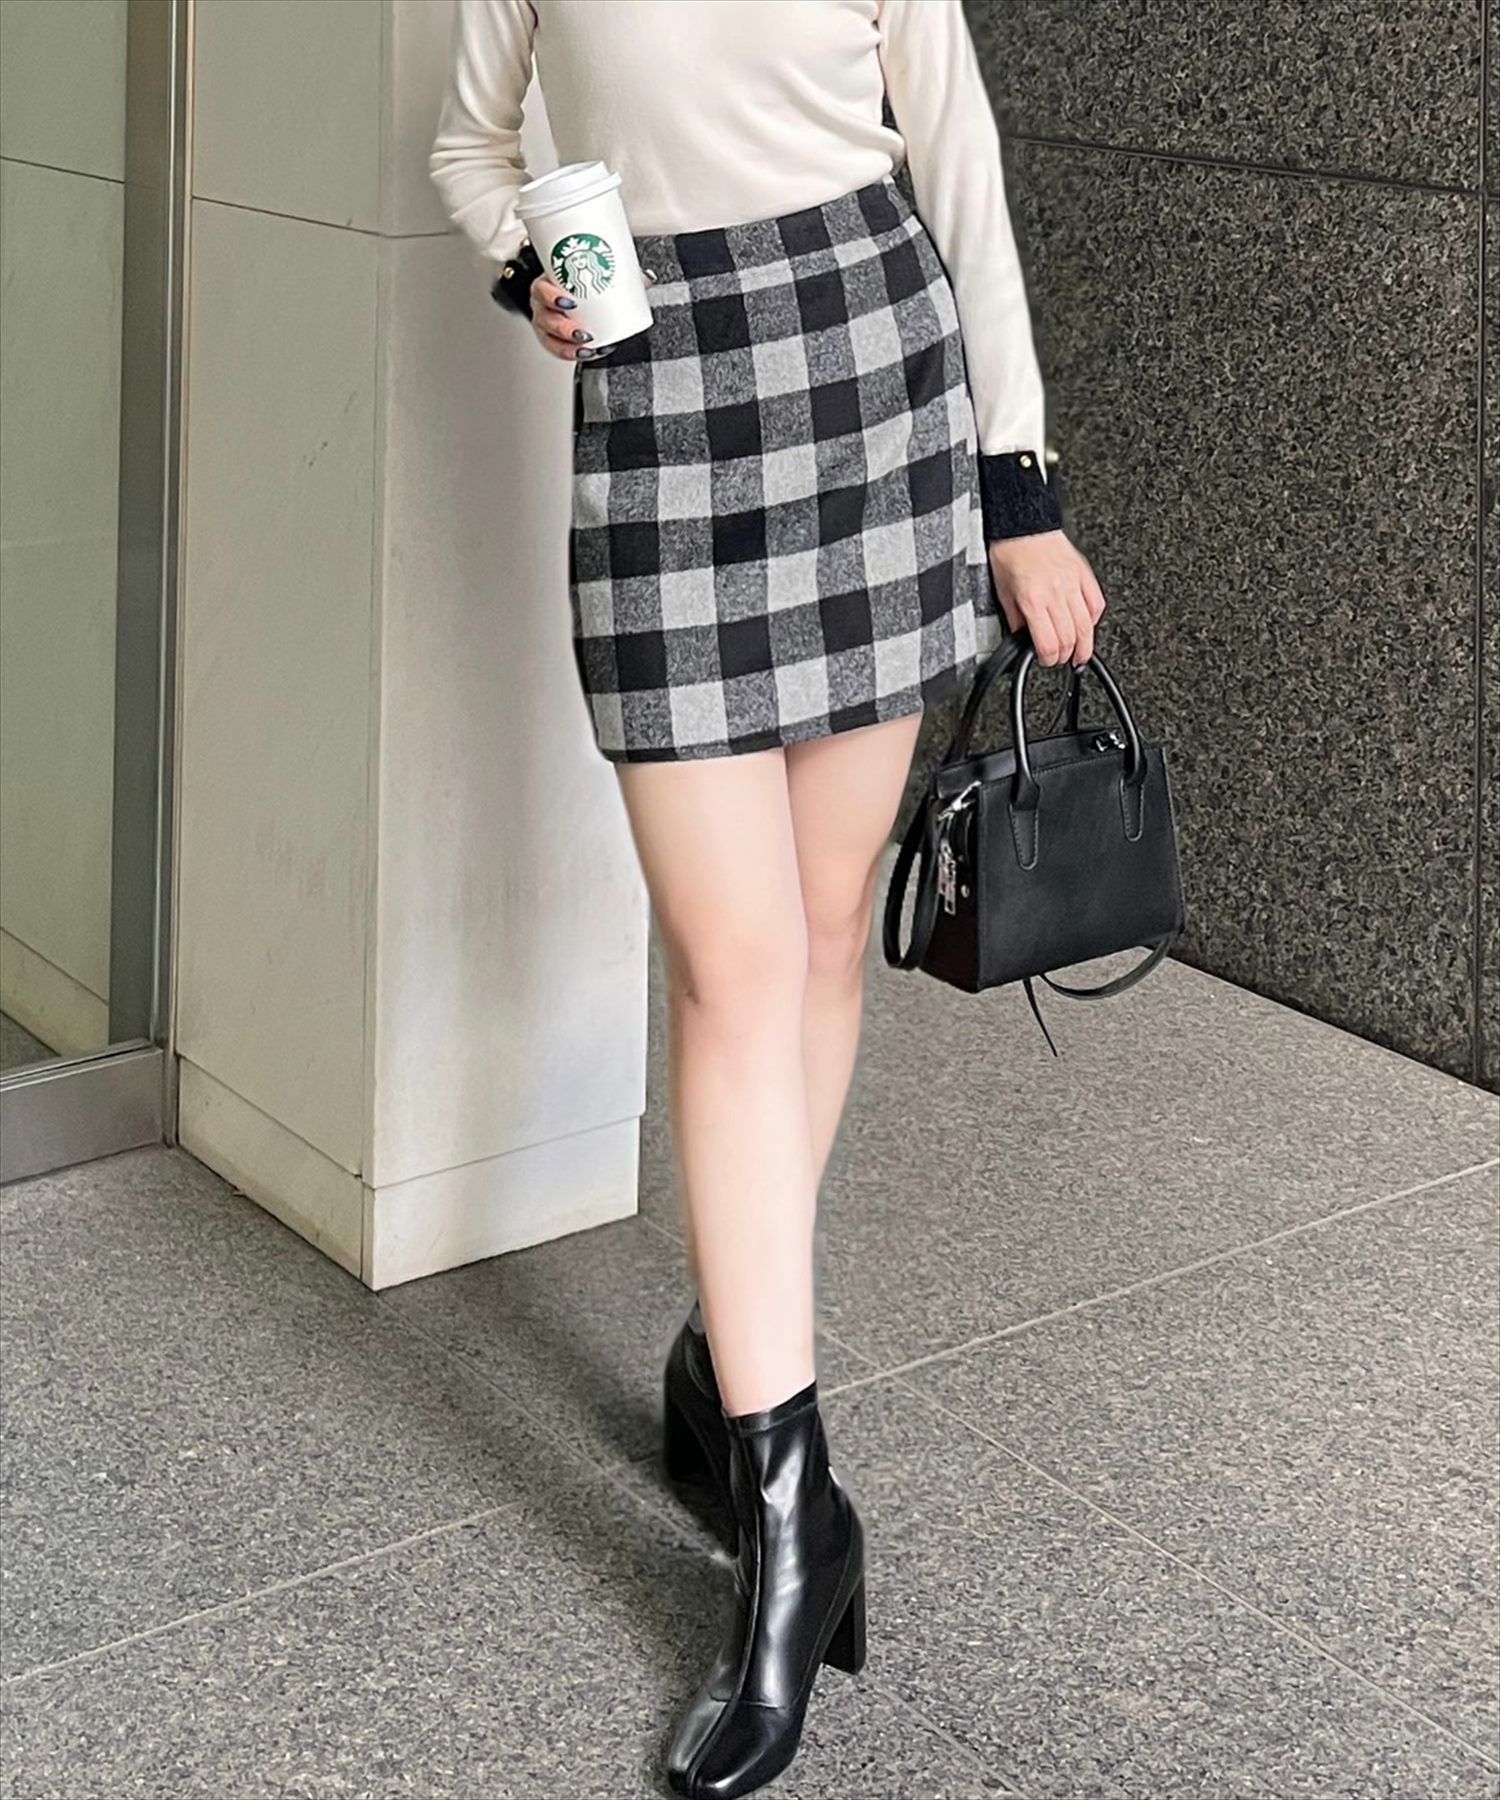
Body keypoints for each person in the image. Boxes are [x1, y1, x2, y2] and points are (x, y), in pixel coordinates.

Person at [429, 5, 1105, 1794]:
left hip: (874, 384)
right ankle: (796, 1519)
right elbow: (470, 145)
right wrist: (531, 274)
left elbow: (959, 171)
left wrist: (1018, 486)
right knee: (730, 970)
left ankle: (728, 1359)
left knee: (813, 943)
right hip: (659, 407)